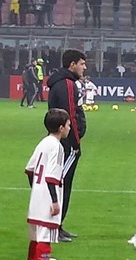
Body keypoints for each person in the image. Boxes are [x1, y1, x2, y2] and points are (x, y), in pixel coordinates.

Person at [22, 108, 71, 260]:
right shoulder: (57, 147)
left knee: (35, 237)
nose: (69, 128)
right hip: (48, 198)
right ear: (60, 128)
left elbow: (30, 170)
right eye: (68, 125)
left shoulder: (43, 142)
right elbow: (52, 175)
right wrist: (55, 200)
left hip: (37, 196)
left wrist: (37, 189)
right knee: (45, 237)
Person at [47, 49, 87, 242]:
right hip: (68, 145)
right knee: (61, 184)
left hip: (61, 143)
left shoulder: (60, 83)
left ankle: (58, 226)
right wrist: (76, 144)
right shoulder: (68, 85)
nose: (84, 68)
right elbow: (69, 115)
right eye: (82, 64)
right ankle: (54, 226)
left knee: (61, 183)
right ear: (72, 64)